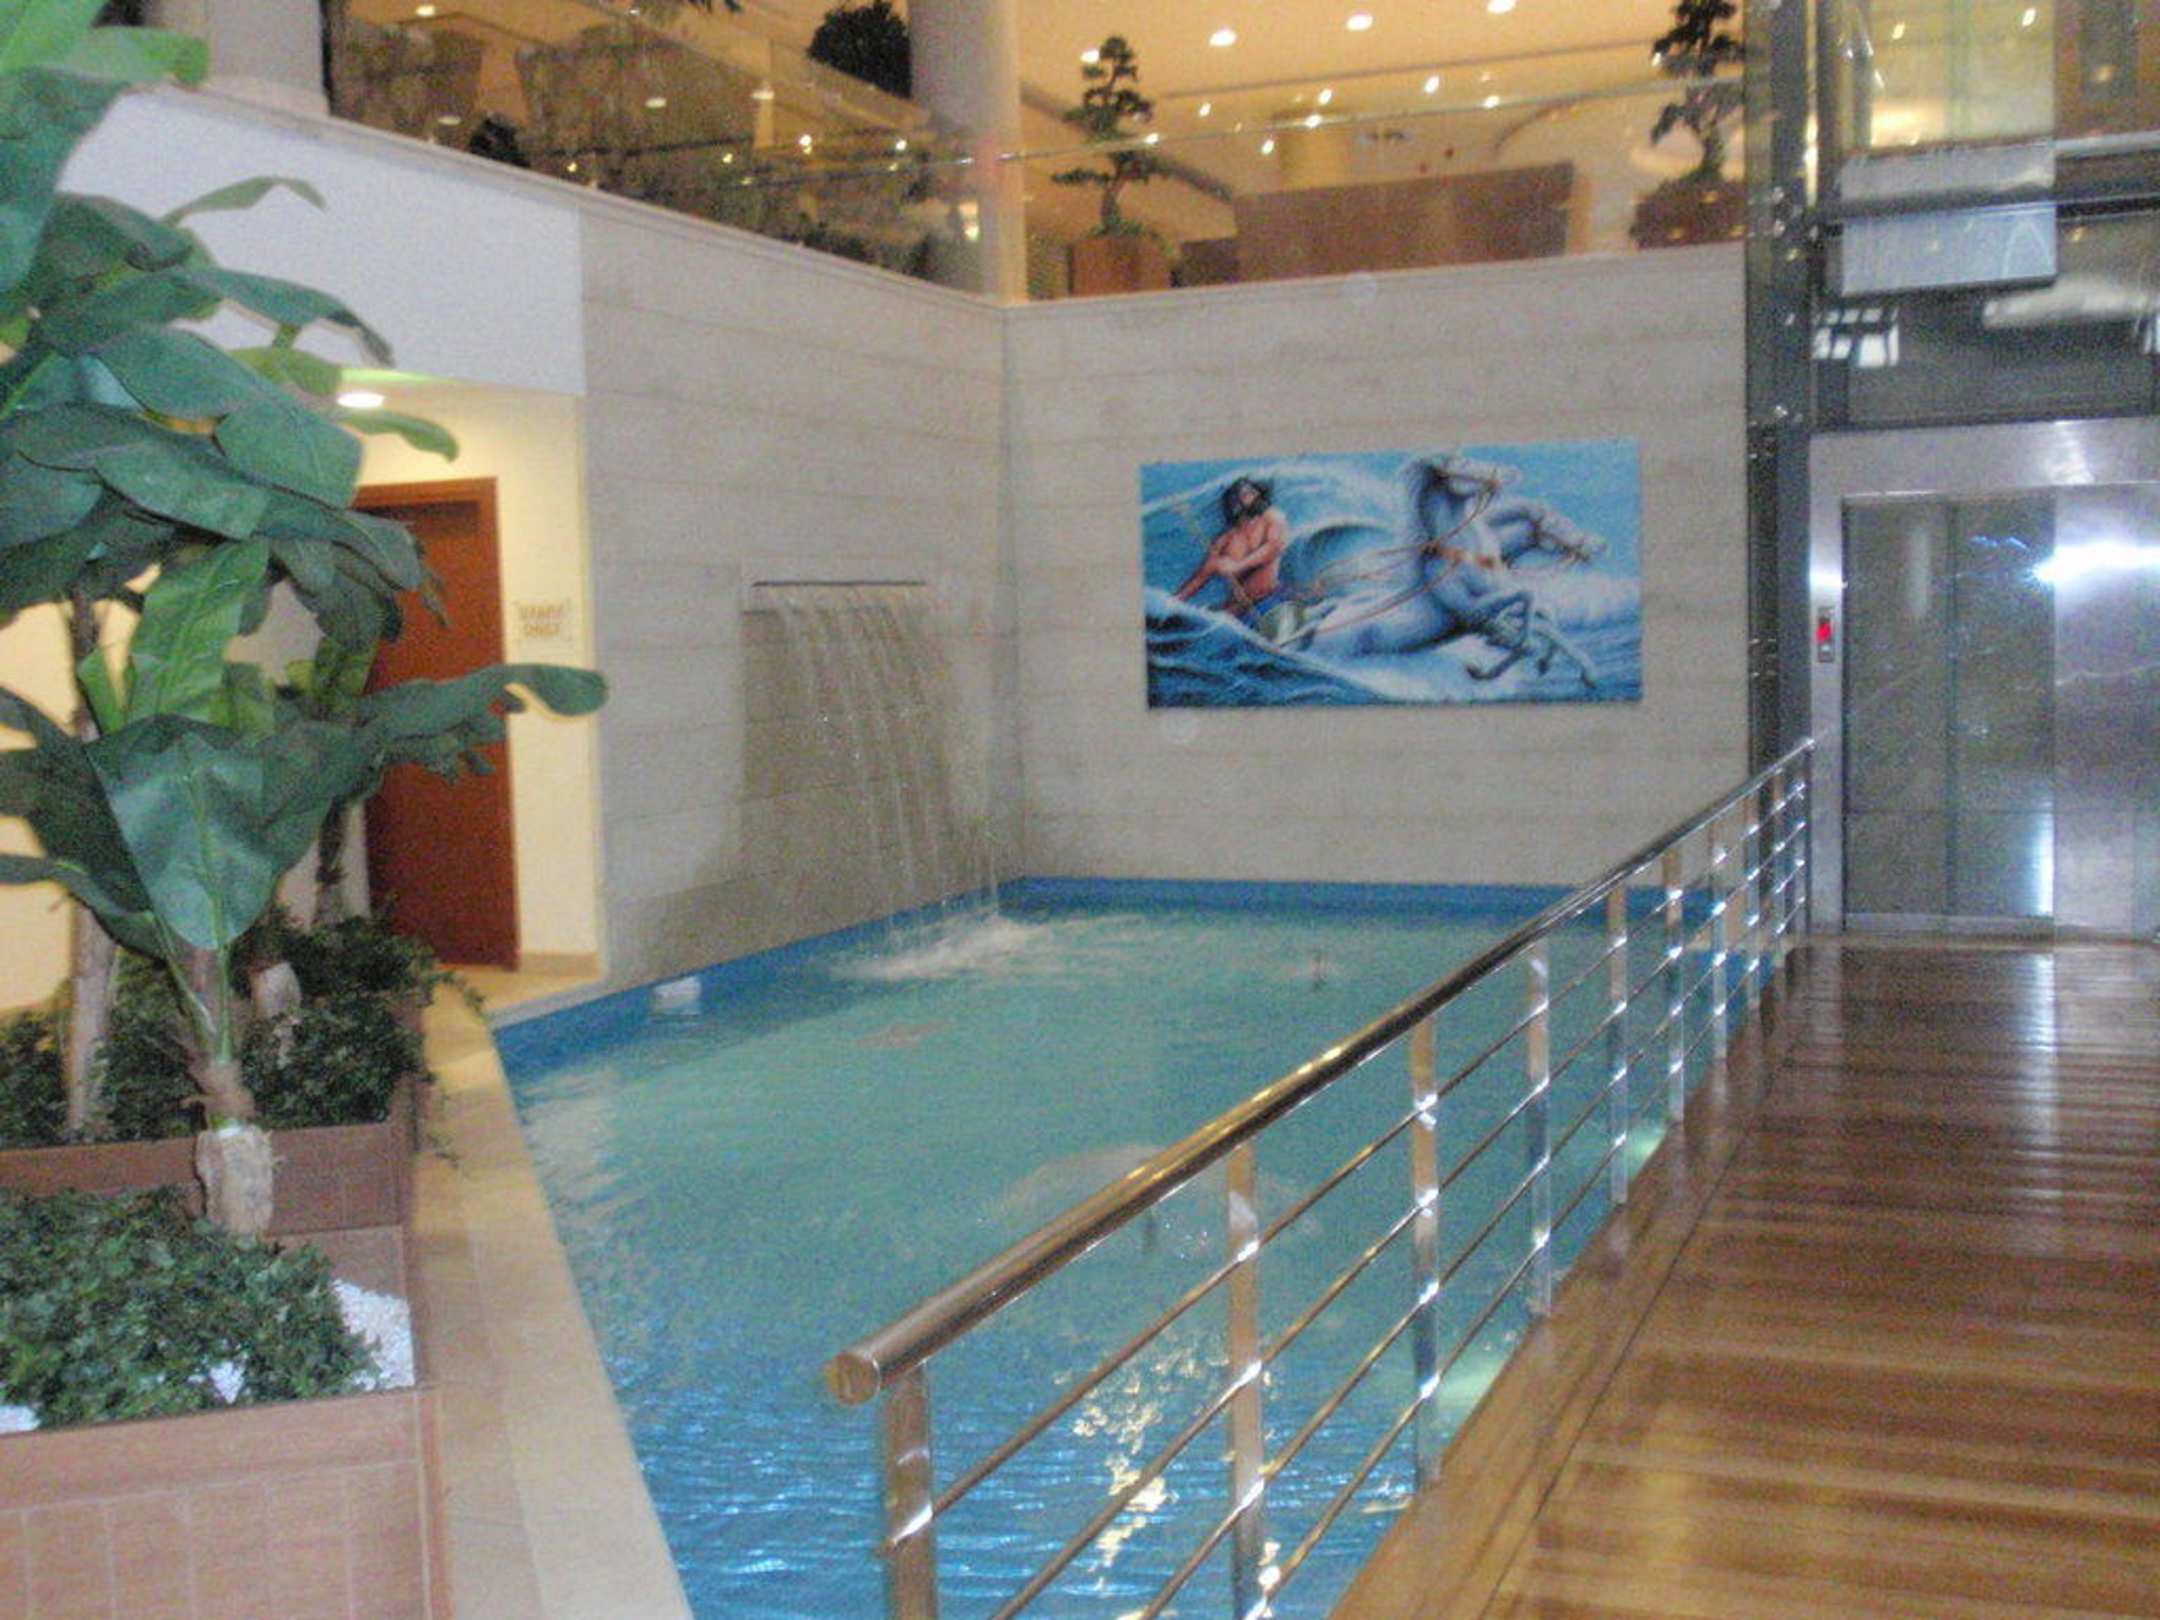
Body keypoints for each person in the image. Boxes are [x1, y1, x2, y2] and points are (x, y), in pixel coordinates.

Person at [1174, 478, 1293, 628]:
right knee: (1205, 621)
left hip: (1270, 598)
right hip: (1239, 608)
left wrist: (1239, 565)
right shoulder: (1225, 540)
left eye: (1252, 492)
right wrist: (1173, 603)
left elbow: (1274, 548)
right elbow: (1199, 578)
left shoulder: (1272, 517)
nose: (1252, 496)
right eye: (1244, 495)